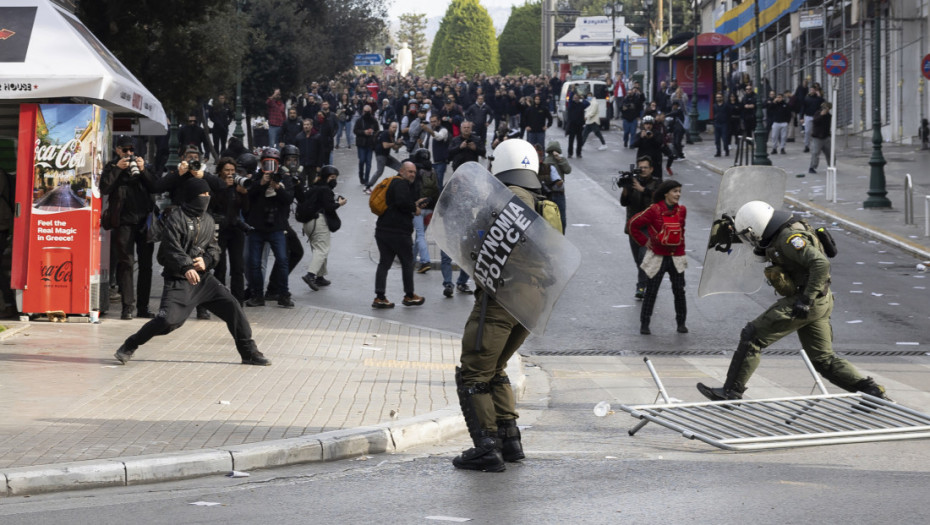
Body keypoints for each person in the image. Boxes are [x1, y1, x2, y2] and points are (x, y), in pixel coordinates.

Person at [696, 200, 892, 401]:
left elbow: (821, 264)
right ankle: (872, 391)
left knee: (752, 335)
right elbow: (760, 238)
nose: (749, 239)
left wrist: (805, 300)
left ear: (755, 226)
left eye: (749, 233)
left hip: (807, 301)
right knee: (822, 358)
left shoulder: (788, 238)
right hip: (822, 300)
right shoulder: (782, 229)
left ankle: (731, 392)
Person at [452, 138, 543, 473]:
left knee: (474, 371)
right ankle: (510, 440)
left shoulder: (507, 201)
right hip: (533, 299)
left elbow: (474, 241)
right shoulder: (543, 201)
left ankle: (486, 447)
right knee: (497, 368)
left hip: (502, 296)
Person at [113, 178, 270, 367]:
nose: (206, 198)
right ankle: (130, 344)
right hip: (178, 280)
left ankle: (249, 352)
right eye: (202, 195)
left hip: (204, 280)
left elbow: (214, 249)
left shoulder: (209, 220)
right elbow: (170, 250)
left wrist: (206, 261)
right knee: (166, 321)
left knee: (233, 307)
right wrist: (186, 266)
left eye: (208, 194)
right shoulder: (176, 218)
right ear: (192, 197)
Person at [100, 135, 157, 320]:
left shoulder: (143, 166)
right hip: (123, 221)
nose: (129, 154)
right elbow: (105, 188)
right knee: (126, 264)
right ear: (118, 150)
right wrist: (117, 169)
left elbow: (155, 186)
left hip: (144, 222)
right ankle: (127, 308)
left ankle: (143, 307)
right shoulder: (112, 167)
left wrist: (142, 170)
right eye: (125, 150)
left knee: (146, 265)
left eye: (132, 150)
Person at [629, 179, 687, 335]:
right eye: (675, 191)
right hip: (658, 256)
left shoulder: (682, 210)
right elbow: (633, 224)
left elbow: (681, 231)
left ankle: (681, 323)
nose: (678, 194)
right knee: (652, 291)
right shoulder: (654, 210)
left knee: (679, 291)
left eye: (679, 191)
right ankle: (645, 324)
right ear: (666, 193)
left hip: (676, 257)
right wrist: (644, 241)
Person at [243, 148, 295, 308]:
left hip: (277, 227)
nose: (270, 167)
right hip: (257, 226)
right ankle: (257, 295)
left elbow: (288, 199)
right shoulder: (257, 178)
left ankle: (283, 294)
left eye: (273, 164)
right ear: (261, 164)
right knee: (254, 262)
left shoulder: (283, 179)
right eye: (267, 163)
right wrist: (262, 183)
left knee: (282, 260)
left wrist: (278, 187)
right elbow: (248, 194)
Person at [372, 161, 427, 309]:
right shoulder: (401, 184)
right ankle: (409, 295)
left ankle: (380, 297)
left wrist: (414, 203)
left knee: (384, 263)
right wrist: (414, 208)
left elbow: (397, 203)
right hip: (398, 232)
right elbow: (402, 203)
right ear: (401, 171)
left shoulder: (392, 183)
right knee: (407, 262)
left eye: (414, 172)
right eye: (410, 171)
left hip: (383, 230)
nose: (412, 175)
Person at [620, 156, 661, 300]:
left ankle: (641, 287)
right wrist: (626, 189)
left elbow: (659, 201)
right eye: (640, 167)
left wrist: (643, 190)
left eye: (645, 167)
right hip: (633, 227)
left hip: (649, 228)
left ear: (651, 169)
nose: (643, 170)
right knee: (638, 259)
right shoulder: (633, 182)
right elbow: (624, 202)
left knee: (643, 257)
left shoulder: (657, 183)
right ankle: (650, 281)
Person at [209, 157, 249, 304]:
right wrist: (224, 188)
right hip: (220, 229)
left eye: (232, 170)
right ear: (220, 171)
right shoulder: (215, 184)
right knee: (220, 267)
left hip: (236, 228)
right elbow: (214, 204)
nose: (230, 173)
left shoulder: (238, 183)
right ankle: (219, 298)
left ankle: (238, 301)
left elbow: (245, 209)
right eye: (227, 170)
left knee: (238, 266)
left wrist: (244, 193)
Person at [299, 165, 345, 291]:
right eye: (332, 177)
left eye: (335, 177)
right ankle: (311, 275)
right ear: (325, 177)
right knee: (322, 249)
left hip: (308, 223)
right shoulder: (325, 190)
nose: (334, 180)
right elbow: (329, 207)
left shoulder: (313, 187)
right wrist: (339, 203)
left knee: (318, 248)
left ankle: (320, 276)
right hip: (318, 221)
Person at [367, 121, 404, 194]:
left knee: (400, 168)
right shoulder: (385, 133)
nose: (394, 129)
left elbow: (395, 148)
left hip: (386, 156)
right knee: (379, 171)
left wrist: (401, 144)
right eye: (393, 127)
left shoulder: (392, 135)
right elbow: (385, 145)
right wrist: (396, 143)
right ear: (389, 127)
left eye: (396, 127)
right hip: (380, 155)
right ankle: (367, 187)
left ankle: (399, 186)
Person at [542, 140, 571, 233]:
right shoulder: (554, 160)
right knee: (561, 219)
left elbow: (567, 170)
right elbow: (568, 170)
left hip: (548, 193)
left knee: (549, 217)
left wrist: (560, 160)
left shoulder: (547, 160)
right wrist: (560, 160)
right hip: (558, 193)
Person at [630, 115, 670, 180]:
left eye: (650, 124)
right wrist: (641, 138)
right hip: (643, 161)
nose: (648, 126)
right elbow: (634, 144)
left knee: (656, 179)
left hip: (655, 161)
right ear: (644, 125)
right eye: (646, 124)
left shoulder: (657, 133)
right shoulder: (640, 134)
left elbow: (660, 143)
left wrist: (652, 137)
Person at [353, 104, 379, 187]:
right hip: (361, 143)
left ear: (371, 112)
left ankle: (367, 179)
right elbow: (355, 130)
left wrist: (372, 132)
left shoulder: (374, 120)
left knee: (368, 163)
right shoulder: (359, 120)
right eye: (365, 111)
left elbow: (377, 131)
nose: (366, 113)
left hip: (370, 144)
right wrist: (364, 132)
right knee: (361, 161)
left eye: (368, 111)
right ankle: (361, 176)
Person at [808, 102, 832, 174]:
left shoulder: (829, 116)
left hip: (826, 137)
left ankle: (831, 165)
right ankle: (812, 167)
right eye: (824, 108)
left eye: (827, 108)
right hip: (817, 137)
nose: (825, 110)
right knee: (815, 153)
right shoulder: (817, 113)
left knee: (830, 153)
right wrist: (821, 115)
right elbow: (815, 121)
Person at [712, 93, 731, 157]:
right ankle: (718, 152)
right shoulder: (714, 105)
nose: (718, 98)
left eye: (719, 97)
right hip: (717, 123)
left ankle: (726, 150)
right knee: (717, 139)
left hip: (724, 123)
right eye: (717, 97)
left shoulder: (726, 105)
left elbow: (729, 114)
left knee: (724, 138)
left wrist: (727, 121)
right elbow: (714, 114)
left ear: (722, 98)